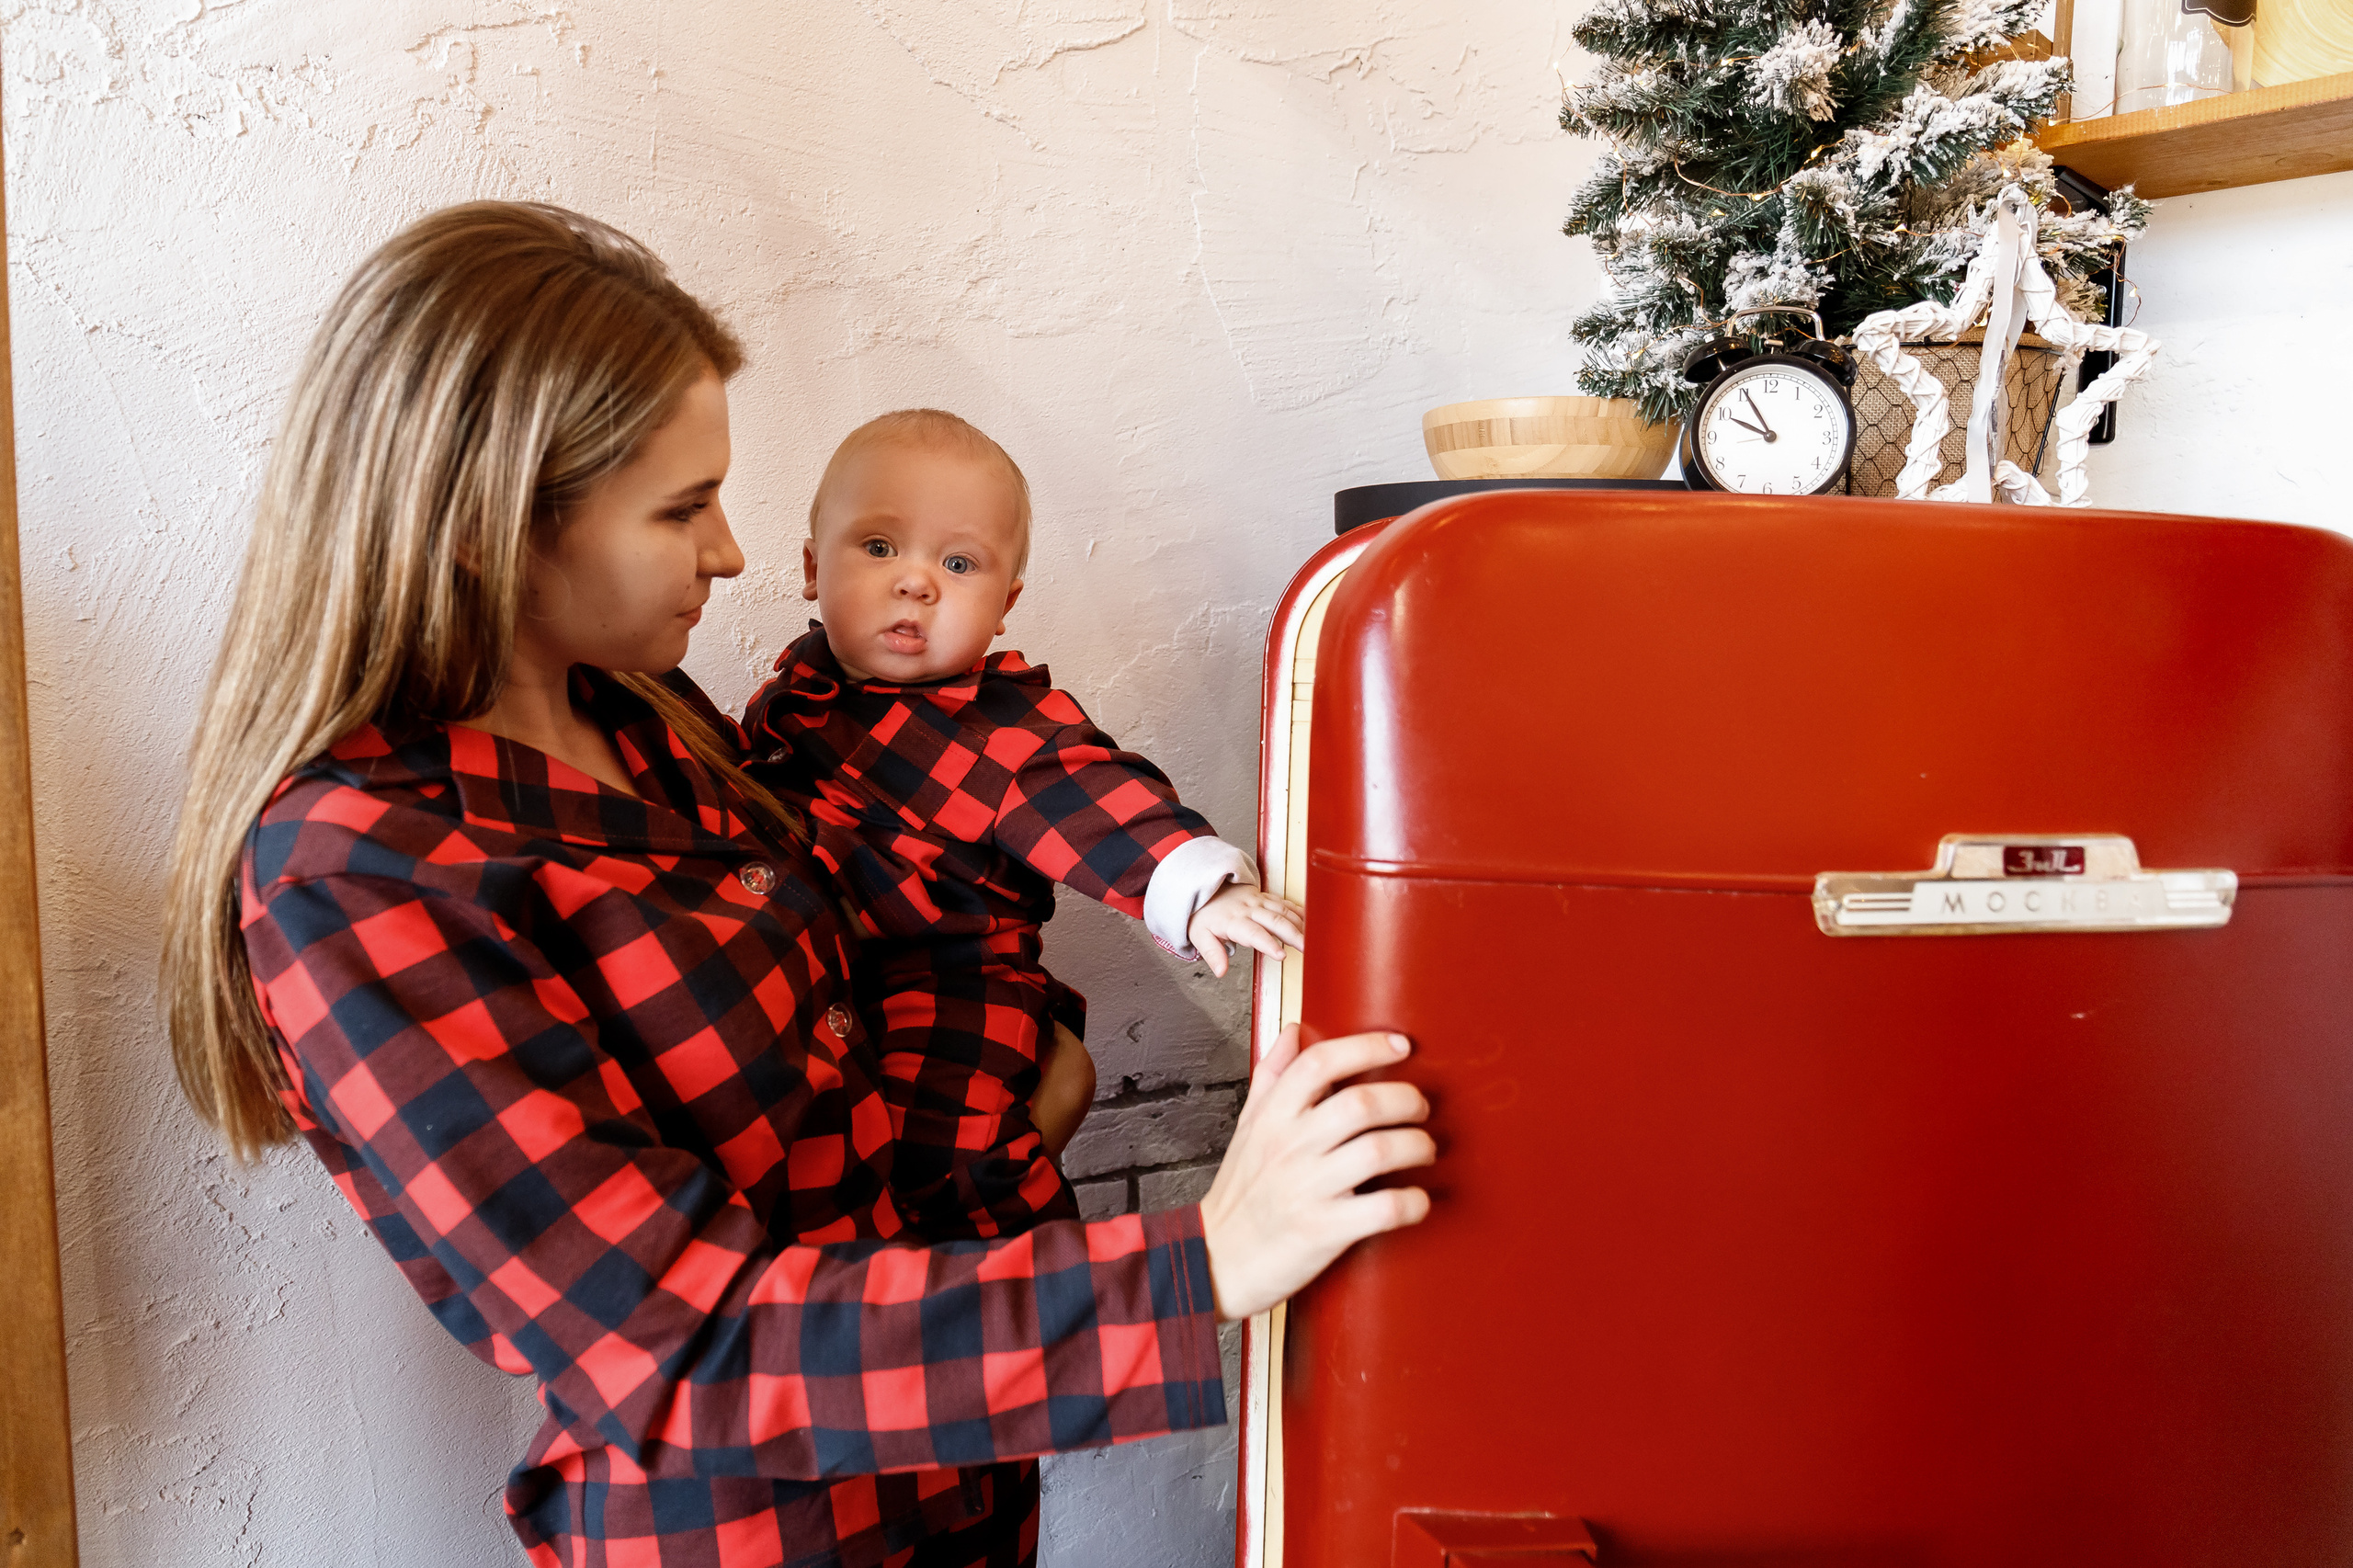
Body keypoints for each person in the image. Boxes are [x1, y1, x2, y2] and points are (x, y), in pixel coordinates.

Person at [159, 199, 1435, 1568]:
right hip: (760, 1535)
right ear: (488, 526)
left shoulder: (657, 721)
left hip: (954, 1481)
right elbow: (681, 1342)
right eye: (680, 507)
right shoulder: (360, 871)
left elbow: (887, 942)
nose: (728, 551)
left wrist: (1033, 1058)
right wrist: (1207, 1260)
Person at [743, 409, 1304, 1243]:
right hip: (833, 979)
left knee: (958, 1151)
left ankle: (1035, 1275)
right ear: (811, 566)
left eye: (958, 563)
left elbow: (1097, 797)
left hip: (954, 980)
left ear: (1004, 604)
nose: (916, 582)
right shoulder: (791, 695)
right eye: (879, 546)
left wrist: (1197, 885)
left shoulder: (1002, 728)